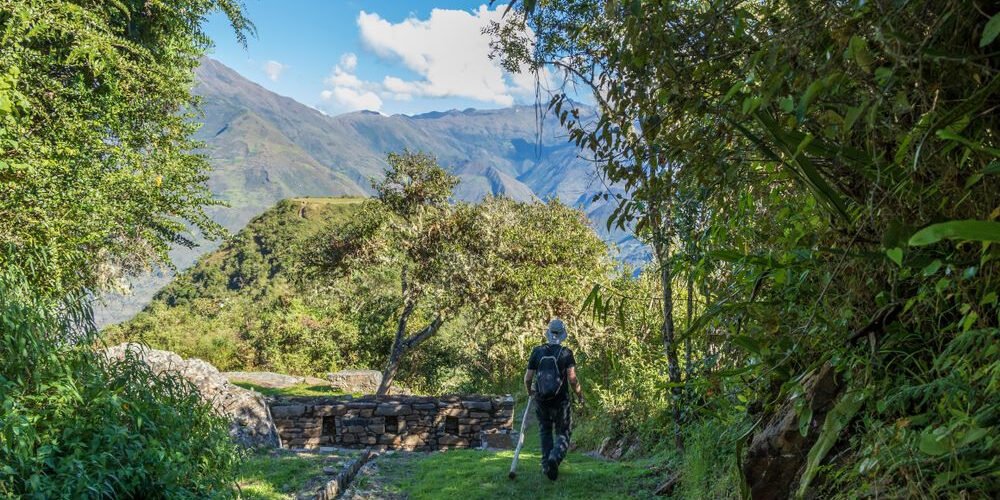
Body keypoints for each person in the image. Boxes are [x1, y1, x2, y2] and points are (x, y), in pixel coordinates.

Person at [523, 318, 585, 481]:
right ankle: (555, 458)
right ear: (563, 335)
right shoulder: (566, 353)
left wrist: (530, 392)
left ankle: (546, 465)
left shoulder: (537, 351)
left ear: (548, 333)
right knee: (563, 432)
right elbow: (572, 379)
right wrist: (580, 396)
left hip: (542, 400)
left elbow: (528, 378)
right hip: (561, 401)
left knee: (545, 431)